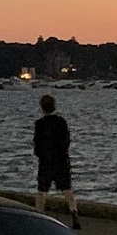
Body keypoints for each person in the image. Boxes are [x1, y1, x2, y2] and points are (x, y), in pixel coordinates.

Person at [33, 92, 79, 226]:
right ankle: (74, 214)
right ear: (54, 106)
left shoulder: (39, 124)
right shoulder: (61, 122)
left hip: (45, 162)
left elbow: (37, 144)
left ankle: (39, 216)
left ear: (42, 107)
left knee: (42, 190)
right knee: (67, 189)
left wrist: (42, 155)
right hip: (61, 160)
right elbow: (66, 141)